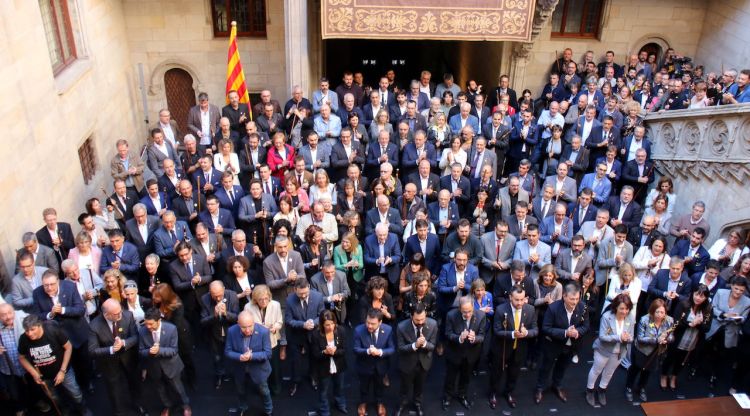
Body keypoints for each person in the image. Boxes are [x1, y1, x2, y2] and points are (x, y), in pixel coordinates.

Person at [17, 314, 93, 416]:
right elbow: (21, 358)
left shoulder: (53, 331)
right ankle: (65, 409)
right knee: (54, 397)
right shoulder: (23, 339)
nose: (29, 333)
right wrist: (34, 373)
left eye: (32, 329)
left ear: (40, 326)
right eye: (27, 331)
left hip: (64, 370)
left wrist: (62, 371)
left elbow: (68, 348)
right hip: (44, 375)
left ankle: (82, 408)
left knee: (75, 392)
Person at [32, 270, 92, 392]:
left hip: (76, 331)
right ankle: (76, 387)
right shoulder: (37, 293)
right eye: (46, 285)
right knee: (67, 364)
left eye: (52, 284)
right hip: (57, 337)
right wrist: (50, 314)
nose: (49, 288)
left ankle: (88, 382)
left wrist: (63, 310)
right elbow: (37, 316)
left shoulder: (70, 287)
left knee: (84, 360)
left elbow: (80, 309)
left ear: (58, 282)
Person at [534, 282, 589, 404]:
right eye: (572, 299)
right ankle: (540, 388)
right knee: (546, 367)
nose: (575, 302)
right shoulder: (553, 308)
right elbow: (546, 328)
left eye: (577, 298)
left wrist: (577, 332)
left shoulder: (582, 307)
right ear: (564, 296)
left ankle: (556, 385)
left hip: (572, 345)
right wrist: (565, 332)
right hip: (553, 344)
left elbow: (586, 326)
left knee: (562, 367)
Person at [88, 298, 144, 416]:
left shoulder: (127, 316)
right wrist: (111, 349)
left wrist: (124, 343)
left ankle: (138, 404)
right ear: (106, 314)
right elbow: (92, 351)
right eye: (116, 313)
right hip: (109, 362)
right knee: (114, 388)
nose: (120, 315)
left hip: (128, 358)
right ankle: (119, 411)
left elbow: (135, 337)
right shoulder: (94, 326)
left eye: (120, 311)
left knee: (134, 382)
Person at [488, 285, 537, 409]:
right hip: (502, 348)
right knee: (497, 372)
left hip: (520, 348)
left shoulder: (530, 309)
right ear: (510, 297)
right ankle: (493, 393)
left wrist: (527, 333)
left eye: (522, 299)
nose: (520, 302)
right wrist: (511, 334)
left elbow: (535, 330)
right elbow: (497, 330)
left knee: (514, 373)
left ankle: (509, 392)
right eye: (517, 300)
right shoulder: (500, 309)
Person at [586, 294, 635, 407]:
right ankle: (590, 390)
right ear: (616, 307)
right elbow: (602, 337)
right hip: (603, 350)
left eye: (627, 309)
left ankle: (602, 390)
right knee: (596, 370)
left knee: (609, 372)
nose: (624, 311)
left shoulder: (630, 318)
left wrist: (628, 338)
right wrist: (619, 337)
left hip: (619, 351)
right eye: (622, 308)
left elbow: (632, 337)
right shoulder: (607, 317)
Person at [660, 284, 712, 391]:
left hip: (692, 340)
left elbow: (707, 328)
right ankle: (664, 375)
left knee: (682, 360)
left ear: (706, 298)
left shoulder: (708, 309)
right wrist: (690, 324)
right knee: (670, 357)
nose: (698, 298)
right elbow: (675, 322)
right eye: (697, 294)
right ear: (692, 293)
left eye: (702, 296)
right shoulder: (683, 304)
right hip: (678, 337)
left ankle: (674, 376)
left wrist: (699, 323)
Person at [224, 310, 273, 416]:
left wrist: (252, 356)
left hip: (259, 369)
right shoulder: (232, 331)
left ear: (254, 323)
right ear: (238, 324)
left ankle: (269, 409)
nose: (247, 330)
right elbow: (227, 351)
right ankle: (243, 407)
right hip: (240, 369)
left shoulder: (264, 332)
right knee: (240, 391)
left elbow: (268, 353)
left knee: (264, 391)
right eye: (243, 327)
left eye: (250, 326)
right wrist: (239, 357)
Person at [441, 296, 486, 411]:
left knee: (466, 378)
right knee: (450, 377)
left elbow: (482, 336)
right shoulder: (451, 315)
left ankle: (462, 395)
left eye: (470, 311)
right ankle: (447, 397)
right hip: (454, 353)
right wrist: (459, 338)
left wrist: (475, 338)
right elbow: (448, 334)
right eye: (464, 312)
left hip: (471, 354)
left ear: (473, 307)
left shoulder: (481, 315)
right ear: (459, 308)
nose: (467, 315)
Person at [705, 277, 750, 391]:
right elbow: (712, 307)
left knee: (722, 354)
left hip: (730, 330)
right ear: (732, 286)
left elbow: (744, 318)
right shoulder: (721, 292)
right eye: (736, 289)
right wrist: (723, 314)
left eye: (741, 290)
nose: (738, 292)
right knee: (706, 349)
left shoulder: (747, 301)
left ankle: (714, 376)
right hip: (715, 326)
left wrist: (738, 319)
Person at [625, 299, 674, 403]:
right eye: (657, 312)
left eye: (662, 312)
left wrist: (666, 339)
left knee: (647, 371)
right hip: (641, 351)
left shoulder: (669, 321)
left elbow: (672, 337)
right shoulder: (644, 319)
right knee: (635, 369)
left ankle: (641, 387)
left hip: (657, 352)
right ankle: (629, 387)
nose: (660, 315)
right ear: (652, 311)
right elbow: (640, 338)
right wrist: (657, 339)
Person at [285, 278, 325, 396]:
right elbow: (288, 320)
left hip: (314, 333)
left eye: (306, 293)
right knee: (296, 360)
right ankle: (296, 381)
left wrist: (314, 322)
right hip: (296, 334)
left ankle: (313, 377)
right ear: (295, 290)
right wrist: (303, 324)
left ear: (309, 288)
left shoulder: (318, 297)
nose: (303, 296)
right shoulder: (289, 300)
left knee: (314, 358)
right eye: (300, 293)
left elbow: (321, 315)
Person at [395, 304, 437, 416]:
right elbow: (400, 348)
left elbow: (433, 346)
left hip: (424, 363)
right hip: (407, 363)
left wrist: (424, 344)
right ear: (411, 316)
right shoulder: (401, 327)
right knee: (404, 387)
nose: (420, 322)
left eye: (423, 318)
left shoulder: (433, 324)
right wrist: (415, 345)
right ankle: (402, 404)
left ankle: (417, 403)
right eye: (417, 319)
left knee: (420, 386)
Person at [353, 308, 394, 416]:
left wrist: (380, 352)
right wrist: (367, 351)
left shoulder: (388, 330)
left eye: (373, 323)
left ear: (380, 322)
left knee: (379, 386)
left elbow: (392, 349)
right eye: (367, 322)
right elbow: (355, 349)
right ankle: (363, 403)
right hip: (364, 365)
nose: (369, 326)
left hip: (381, 366)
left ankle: (379, 403)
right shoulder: (358, 330)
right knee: (363, 386)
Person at [245, 284, 284, 396]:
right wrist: (260, 329)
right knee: (259, 368)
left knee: (274, 367)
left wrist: (274, 327)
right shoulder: (248, 307)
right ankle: (262, 389)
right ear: (255, 299)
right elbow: (247, 325)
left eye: (266, 298)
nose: (264, 301)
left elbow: (279, 322)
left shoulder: (276, 305)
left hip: (272, 341)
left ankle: (276, 389)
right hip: (257, 343)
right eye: (260, 299)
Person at [200, 280, 239, 389]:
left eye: (220, 295)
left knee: (234, 355)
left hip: (230, 331)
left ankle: (236, 376)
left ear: (224, 290)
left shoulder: (232, 295)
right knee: (217, 357)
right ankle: (219, 375)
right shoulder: (205, 299)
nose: (218, 298)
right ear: (210, 293)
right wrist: (214, 315)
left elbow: (237, 317)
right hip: (214, 332)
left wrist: (226, 313)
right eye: (214, 296)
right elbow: (203, 321)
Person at [311, 309, 348, 416]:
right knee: (323, 390)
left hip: (339, 364)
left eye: (332, 323)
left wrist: (335, 351)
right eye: (327, 325)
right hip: (323, 366)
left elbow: (344, 350)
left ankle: (341, 404)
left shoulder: (341, 331)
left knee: (340, 386)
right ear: (322, 325)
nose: (331, 327)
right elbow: (315, 354)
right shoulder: (316, 335)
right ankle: (324, 410)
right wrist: (325, 352)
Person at [0, 304, 29, 416]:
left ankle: (38, 402)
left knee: (33, 388)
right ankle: (20, 407)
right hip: (8, 368)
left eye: (9, 313)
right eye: (3, 315)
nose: (7, 317)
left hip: (27, 366)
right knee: (14, 392)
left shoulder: (23, 321)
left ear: (14, 313)